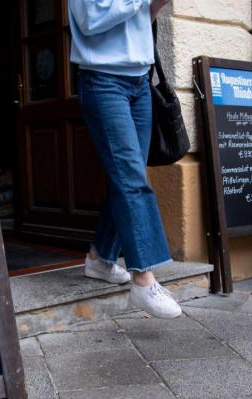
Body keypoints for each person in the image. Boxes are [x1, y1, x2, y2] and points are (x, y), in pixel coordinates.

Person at [69, 0, 180, 319]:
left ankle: (100, 257)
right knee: (132, 179)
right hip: (103, 81)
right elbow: (90, 19)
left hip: (139, 83)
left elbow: (141, 17)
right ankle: (144, 280)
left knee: (127, 177)